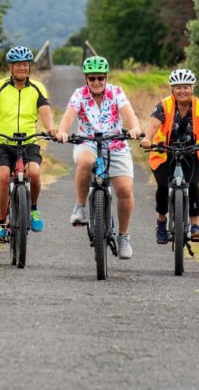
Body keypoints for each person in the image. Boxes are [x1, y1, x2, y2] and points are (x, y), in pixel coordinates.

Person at [55, 56, 141, 259]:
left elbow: (128, 113)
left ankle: (123, 236)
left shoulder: (116, 92)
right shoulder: (79, 94)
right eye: (92, 78)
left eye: (100, 78)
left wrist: (134, 128)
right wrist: (62, 131)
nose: (96, 82)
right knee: (85, 161)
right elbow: (69, 115)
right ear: (86, 78)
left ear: (106, 77)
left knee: (125, 190)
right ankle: (80, 207)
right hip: (88, 142)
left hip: (115, 144)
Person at [0, 46, 57, 242]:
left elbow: (45, 112)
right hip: (3, 142)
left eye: (25, 64)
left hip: (29, 141)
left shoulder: (37, 88)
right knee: (3, 176)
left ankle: (33, 209)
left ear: (29, 66)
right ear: (10, 67)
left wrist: (50, 128)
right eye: (18, 65)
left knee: (34, 173)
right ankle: (0, 225)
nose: (22, 68)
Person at [140, 69, 199, 243]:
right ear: (172, 89)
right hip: (165, 152)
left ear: (192, 88)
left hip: (193, 152)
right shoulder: (164, 105)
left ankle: (195, 226)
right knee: (163, 186)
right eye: (178, 87)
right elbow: (153, 125)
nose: (182, 91)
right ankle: (161, 223)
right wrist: (147, 139)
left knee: (193, 184)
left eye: (186, 87)